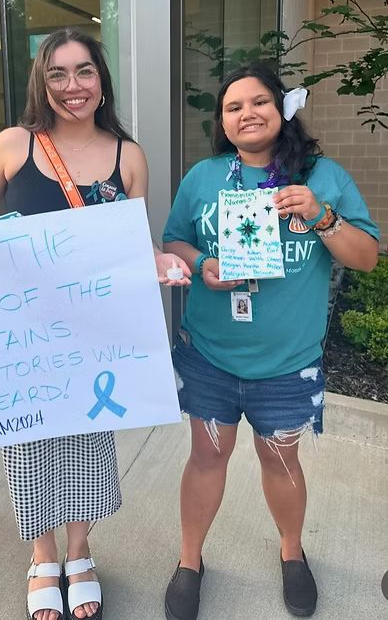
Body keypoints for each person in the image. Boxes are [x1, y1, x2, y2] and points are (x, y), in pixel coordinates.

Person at [0, 27, 190, 620]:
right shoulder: (13, 144)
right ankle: (43, 558)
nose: (72, 86)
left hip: (96, 333)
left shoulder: (127, 156)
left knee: (86, 444)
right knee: (28, 446)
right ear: (42, 82)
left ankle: (80, 555)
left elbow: (136, 243)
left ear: (101, 79)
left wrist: (158, 262)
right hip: (23, 333)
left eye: (84, 71)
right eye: (57, 74)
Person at [162, 62, 379, 620]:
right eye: (233, 107)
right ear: (223, 122)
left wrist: (322, 215)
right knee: (207, 455)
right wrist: (204, 264)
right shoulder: (204, 176)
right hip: (210, 353)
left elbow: (367, 257)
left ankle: (291, 552)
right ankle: (190, 561)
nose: (246, 114)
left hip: (288, 361)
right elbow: (175, 241)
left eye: (258, 101)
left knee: (280, 460)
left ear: (281, 108)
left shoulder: (323, 176)